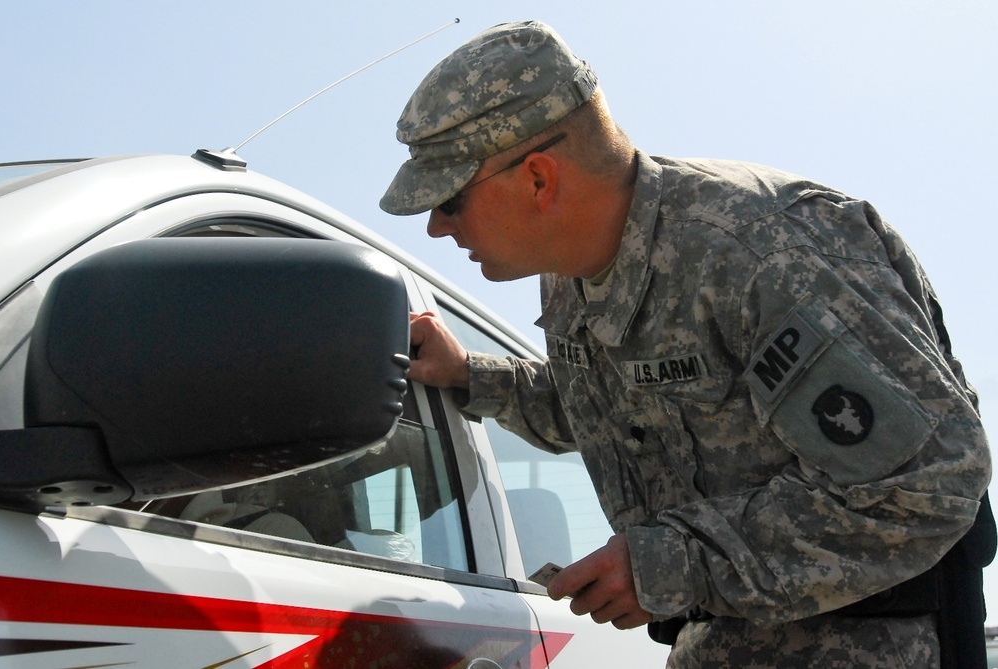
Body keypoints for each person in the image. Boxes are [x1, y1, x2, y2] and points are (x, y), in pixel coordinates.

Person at [379, 20, 994, 668]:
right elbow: (615, 408)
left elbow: (929, 479)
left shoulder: (762, 251)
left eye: (450, 199)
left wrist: (670, 562)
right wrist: (472, 376)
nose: (436, 226)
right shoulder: (569, 279)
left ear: (538, 178)